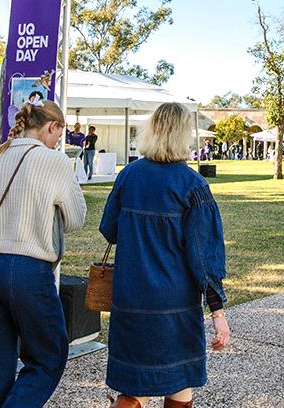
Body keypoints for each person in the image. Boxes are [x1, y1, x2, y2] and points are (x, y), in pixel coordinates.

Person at [100, 102, 230, 408]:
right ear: (183, 135)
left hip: (130, 296)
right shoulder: (193, 185)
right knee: (179, 384)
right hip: (174, 304)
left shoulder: (128, 175)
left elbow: (109, 229)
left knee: (134, 387)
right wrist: (218, 314)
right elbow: (206, 256)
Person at [0, 99, 87, 408]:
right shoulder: (54, 161)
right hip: (29, 269)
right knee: (48, 356)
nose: (56, 142)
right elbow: (76, 217)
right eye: (57, 135)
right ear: (52, 127)